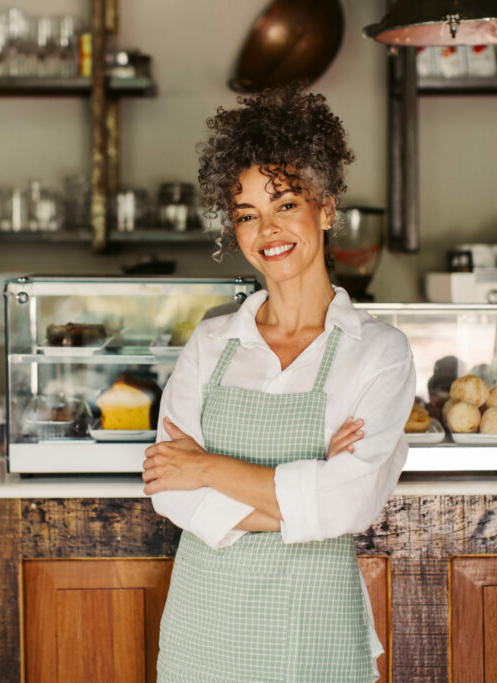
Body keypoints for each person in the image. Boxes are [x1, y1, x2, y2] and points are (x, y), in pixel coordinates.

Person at [142, 86, 416, 682]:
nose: (267, 229)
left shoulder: (379, 353)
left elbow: (352, 501)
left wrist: (209, 468)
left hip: (315, 632)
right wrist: (309, 494)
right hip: (203, 627)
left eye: (285, 203)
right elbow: (169, 488)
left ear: (326, 206)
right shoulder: (210, 343)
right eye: (246, 214)